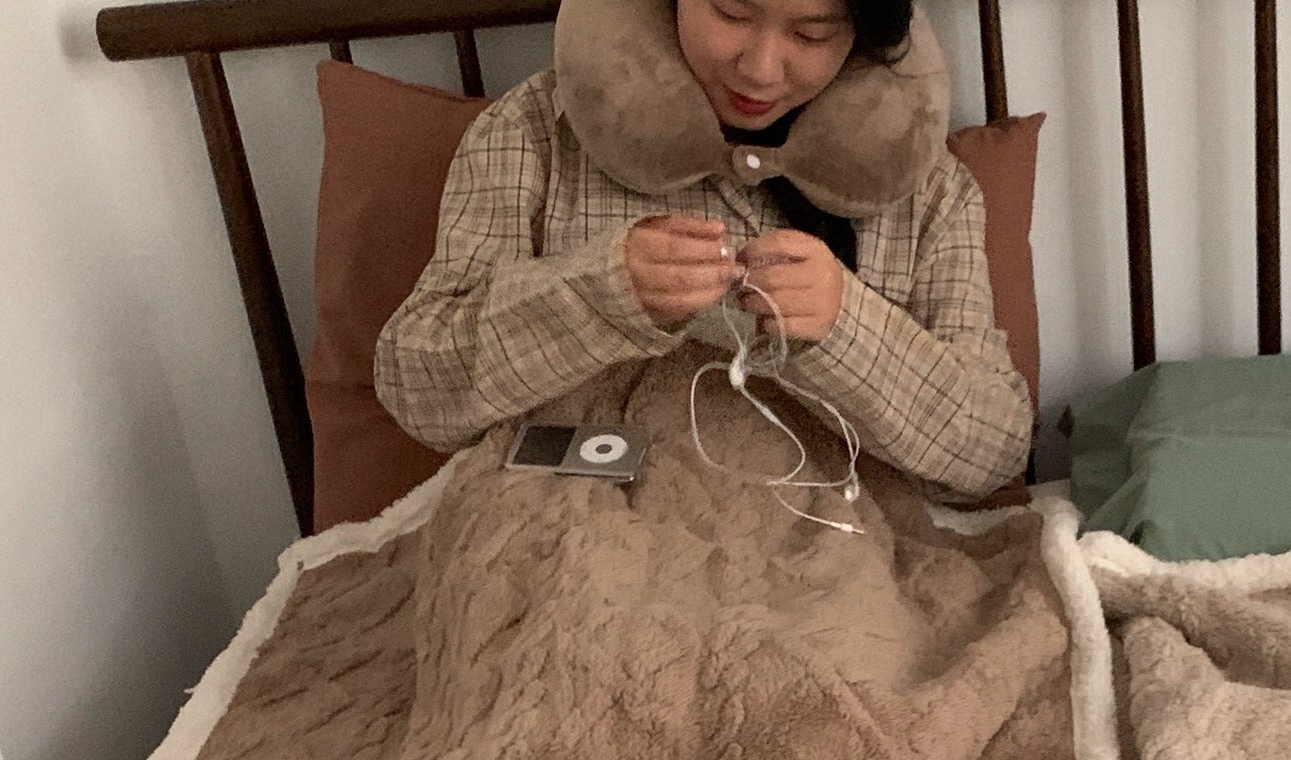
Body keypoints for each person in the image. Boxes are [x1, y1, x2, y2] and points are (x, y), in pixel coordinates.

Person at [372, 0, 1036, 504]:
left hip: (817, 551)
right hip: (565, 530)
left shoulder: (928, 191)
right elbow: (419, 392)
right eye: (731, 12)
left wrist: (847, 329)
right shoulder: (534, 135)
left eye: (812, 34)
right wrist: (598, 296)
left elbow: (990, 455)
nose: (760, 68)